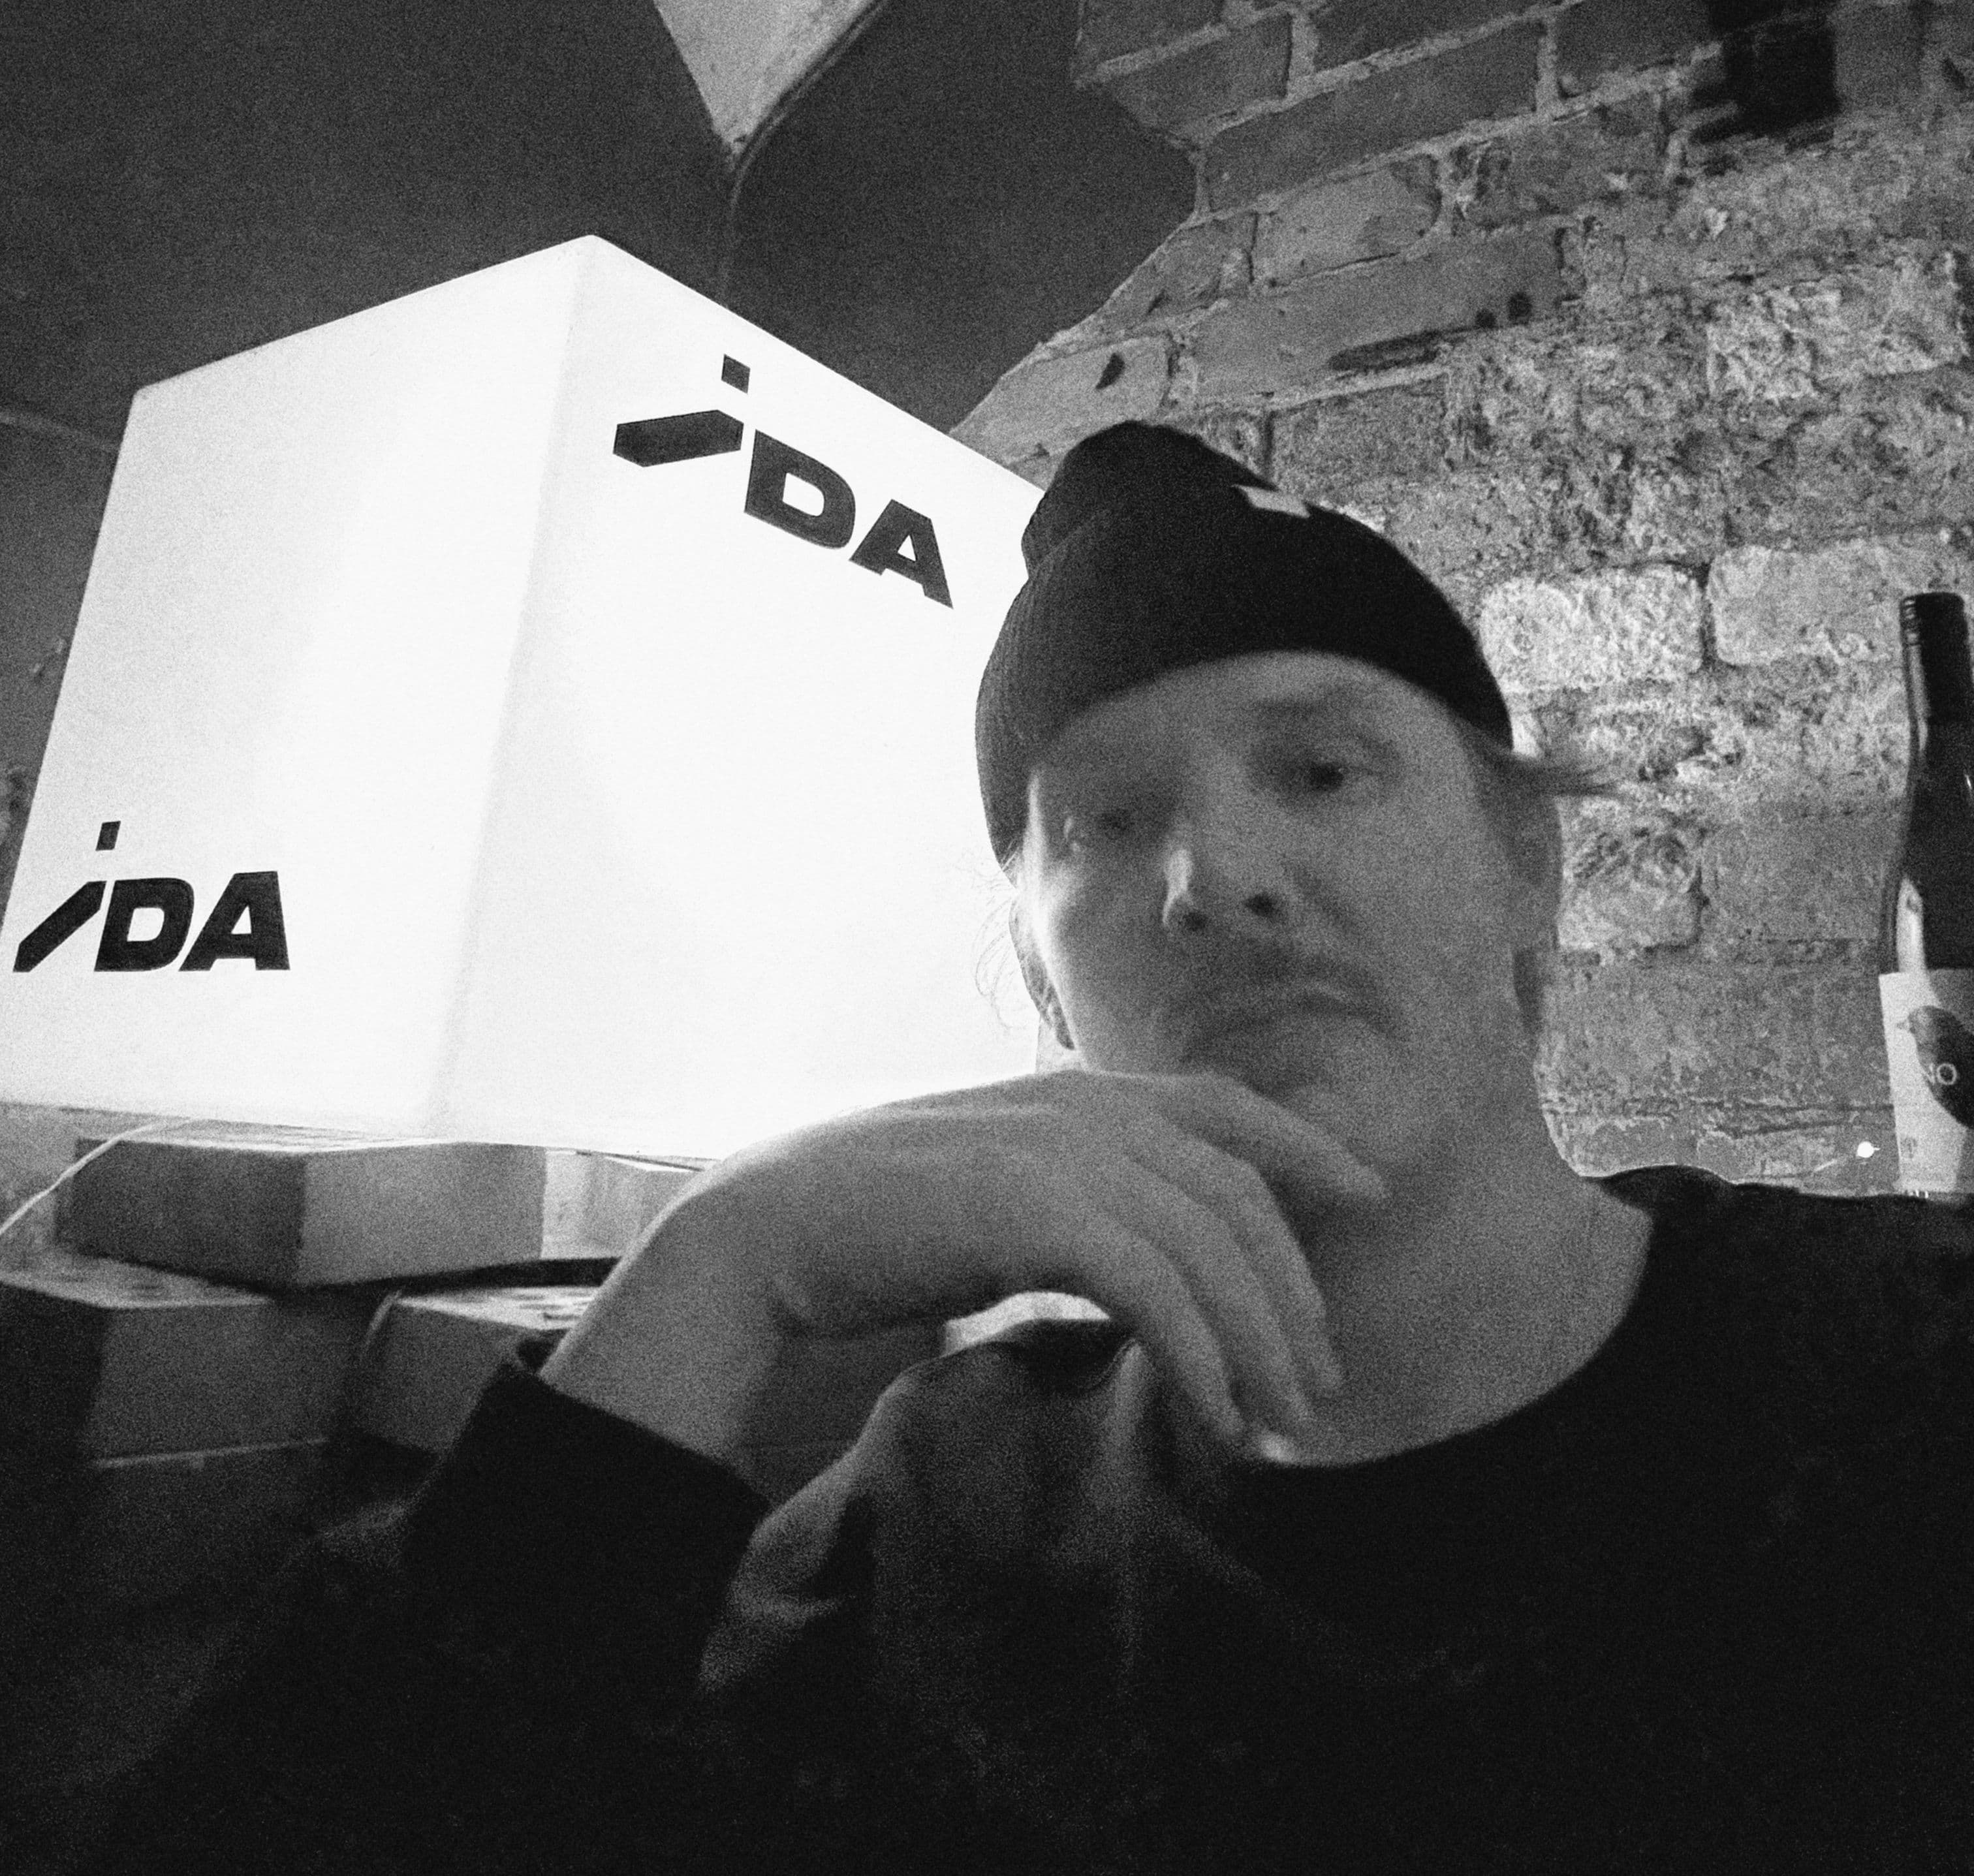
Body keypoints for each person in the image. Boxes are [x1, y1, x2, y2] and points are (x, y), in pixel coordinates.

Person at [88, 424, 1974, 1874]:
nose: (1214, 879)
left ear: (1526, 871)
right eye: (1105, 822)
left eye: (1322, 769)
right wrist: (720, 1264)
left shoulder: (1906, 1365)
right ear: (1046, 982)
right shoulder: (941, 1515)